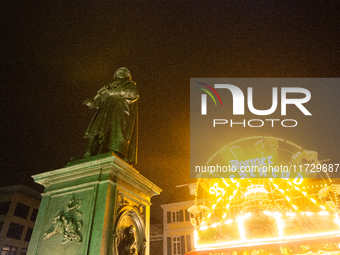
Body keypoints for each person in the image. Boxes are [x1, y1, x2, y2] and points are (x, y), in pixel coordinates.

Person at [83, 67, 138, 164]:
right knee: (97, 130)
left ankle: (114, 151)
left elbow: (134, 94)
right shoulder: (107, 86)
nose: (120, 72)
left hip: (118, 110)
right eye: (118, 71)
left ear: (127, 75)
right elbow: (99, 99)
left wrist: (114, 92)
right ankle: (90, 152)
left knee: (115, 131)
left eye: (123, 71)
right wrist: (92, 103)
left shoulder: (129, 84)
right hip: (104, 111)